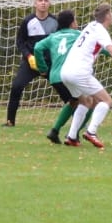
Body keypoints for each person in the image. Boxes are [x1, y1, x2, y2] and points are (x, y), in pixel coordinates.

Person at [60, 2, 112, 149]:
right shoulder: (101, 30)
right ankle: (91, 132)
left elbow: (104, 42)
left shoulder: (91, 26)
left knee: (86, 101)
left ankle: (72, 136)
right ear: (107, 15)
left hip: (66, 71)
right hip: (79, 72)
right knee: (106, 100)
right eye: (111, 13)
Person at [4, 0, 58, 127]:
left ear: (49, 4)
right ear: (35, 3)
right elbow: (20, 42)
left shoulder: (55, 21)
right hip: (31, 63)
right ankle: (10, 121)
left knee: (64, 88)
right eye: (40, 0)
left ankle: (78, 120)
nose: (43, 3)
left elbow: (59, 41)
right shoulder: (28, 21)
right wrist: (28, 56)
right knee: (16, 86)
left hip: (49, 63)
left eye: (46, 0)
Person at [35, 9, 80, 144]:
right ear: (72, 23)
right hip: (70, 75)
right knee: (90, 101)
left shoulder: (53, 36)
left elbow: (37, 48)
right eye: (75, 19)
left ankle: (55, 132)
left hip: (55, 76)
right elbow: (98, 46)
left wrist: (43, 68)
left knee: (73, 102)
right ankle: (73, 134)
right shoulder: (78, 35)